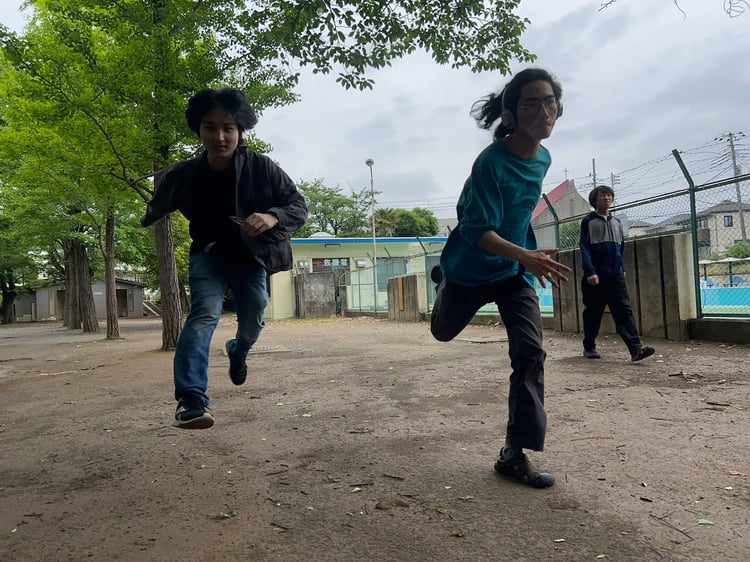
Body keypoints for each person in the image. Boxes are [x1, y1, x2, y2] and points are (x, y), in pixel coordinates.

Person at [430, 68, 570, 488]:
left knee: (530, 352)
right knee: (442, 332)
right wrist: (526, 254)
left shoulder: (543, 158)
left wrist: (524, 256)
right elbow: (477, 228)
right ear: (510, 115)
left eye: (549, 101)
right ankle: (442, 284)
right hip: (470, 270)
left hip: (513, 271)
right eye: (531, 103)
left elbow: (519, 213)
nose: (543, 111)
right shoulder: (490, 163)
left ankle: (514, 453)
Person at [141, 88, 308, 429]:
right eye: (210, 127)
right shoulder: (185, 173)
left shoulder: (262, 167)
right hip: (209, 255)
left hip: (250, 258)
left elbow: (298, 206)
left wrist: (272, 216)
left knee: (255, 315)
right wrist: (150, 214)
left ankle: (239, 350)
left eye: (228, 128)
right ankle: (191, 399)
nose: (219, 137)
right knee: (203, 314)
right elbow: (162, 199)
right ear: (198, 130)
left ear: (240, 130)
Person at [579, 185, 655, 362]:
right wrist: (590, 271)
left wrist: (620, 268)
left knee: (624, 310)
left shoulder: (617, 223)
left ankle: (635, 349)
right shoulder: (588, 221)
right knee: (593, 313)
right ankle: (589, 347)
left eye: (609, 195)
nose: (606, 198)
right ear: (594, 200)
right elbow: (584, 247)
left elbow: (620, 247)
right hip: (595, 277)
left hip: (616, 276)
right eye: (602, 195)